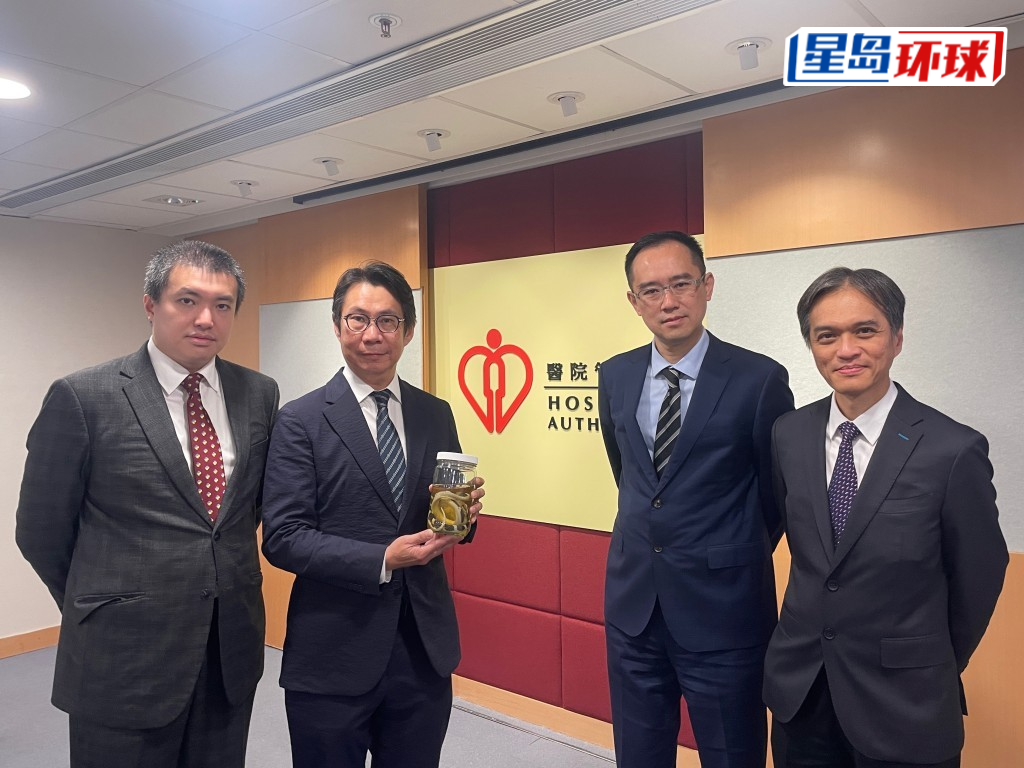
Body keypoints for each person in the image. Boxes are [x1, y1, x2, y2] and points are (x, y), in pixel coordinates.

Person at [16, 240, 280, 768]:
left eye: (223, 305)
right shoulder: (84, 396)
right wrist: (105, 604)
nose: (205, 318)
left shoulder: (259, 393)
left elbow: (244, 513)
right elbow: (41, 530)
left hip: (227, 651)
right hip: (121, 659)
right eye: (187, 300)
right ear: (150, 304)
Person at [764, 267, 1008, 768]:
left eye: (865, 330)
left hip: (906, 702)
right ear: (811, 345)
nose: (846, 350)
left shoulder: (952, 449)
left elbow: (979, 576)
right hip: (803, 694)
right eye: (826, 336)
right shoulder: (788, 434)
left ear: (897, 338)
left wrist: (928, 660)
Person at [261, 261, 484, 768]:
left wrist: (464, 517)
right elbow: (284, 537)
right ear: (337, 325)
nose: (372, 334)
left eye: (387, 320)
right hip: (333, 651)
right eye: (357, 319)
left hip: (422, 650)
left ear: (408, 330)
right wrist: (383, 559)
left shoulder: (435, 412)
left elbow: (441, 515)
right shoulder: (300, 420)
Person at [597, 230, 794, 768]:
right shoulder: (615, 375)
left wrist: (725, 552)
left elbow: (776, 495)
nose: (669, 301)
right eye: (652, 290)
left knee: (732, 755)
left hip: (725, 611)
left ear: (707, 286)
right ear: (634, 301)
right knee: (638, 755)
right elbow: (630, 475)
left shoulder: (758, 379)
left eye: (681, 284)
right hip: (635, 609)